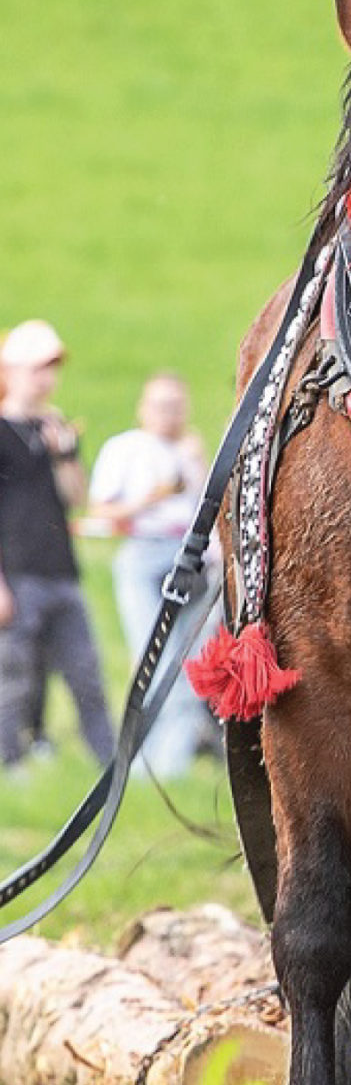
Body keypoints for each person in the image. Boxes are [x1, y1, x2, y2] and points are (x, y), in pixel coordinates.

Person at [0, 320, 116, 770]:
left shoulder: (56, 427)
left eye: (51, 368)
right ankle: (11, 766)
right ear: (12, 369)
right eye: (37, 368)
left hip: (61, 572)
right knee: (16, 679)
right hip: (17, 572)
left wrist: (64, 453)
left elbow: (75, 499)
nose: (45, 378)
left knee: (85, 675)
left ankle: (110, 767)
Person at [88, 373, 213, 778]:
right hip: (145, 552)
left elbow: (203, 510)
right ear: (144, 409)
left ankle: (169, 765)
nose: (169, 415)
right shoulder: (125, 449)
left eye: (176, 406)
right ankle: (145, 767)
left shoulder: (190, 451)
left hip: (191, 560)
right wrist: (155, 496)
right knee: (152, 658)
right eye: (161, 406)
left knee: (190, 659)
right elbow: (101, 511)